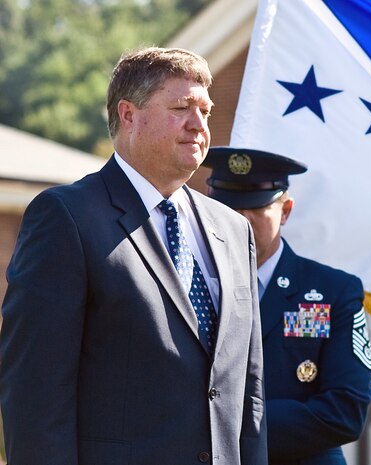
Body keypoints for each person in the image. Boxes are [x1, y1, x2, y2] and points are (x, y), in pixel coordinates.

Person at [0, 47, 266, 464]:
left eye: (206, 112)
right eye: (181, 107)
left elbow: (248, 394)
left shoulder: (234, 230)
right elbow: (36, 392)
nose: (199, 125)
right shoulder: (67, 217)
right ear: (128, 115)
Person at [203, 147, 371, 465]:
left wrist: (231, 422)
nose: (240, 219)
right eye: (226, 207)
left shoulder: (332, 292)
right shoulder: (185, 285)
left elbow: (346, 410)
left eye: (256, 207)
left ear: (285, 211)